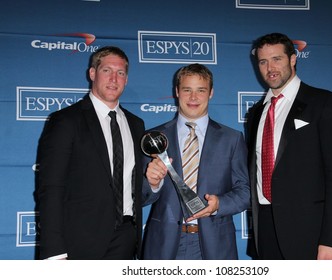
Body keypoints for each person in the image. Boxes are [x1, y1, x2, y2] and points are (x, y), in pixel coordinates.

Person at [245, 33, 332, 260]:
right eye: (263, 62)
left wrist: (331, 240)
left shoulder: (325, 103)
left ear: (293, 59)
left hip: (312, 235)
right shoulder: (256, 113)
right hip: (265, 232)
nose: (270, 68)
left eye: (277, 59)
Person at [36, 46, 146, 260]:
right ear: (92, 73)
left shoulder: (136, 125)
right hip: (79, 240)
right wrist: (54, 251)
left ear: (126, 79)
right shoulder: (66, 121)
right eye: (107, 70)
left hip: (125, 238)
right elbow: (51, 187)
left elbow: (136, 184)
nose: (114, 78)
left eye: (121, 73)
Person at [141, 63, 250, 260]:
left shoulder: (231, 139)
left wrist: (219, 204)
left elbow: (245, 192)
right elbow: (139, 197)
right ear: (176, 92)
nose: (193, 97)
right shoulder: (154, 138)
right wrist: (152, 184)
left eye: (201, 90)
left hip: (215, 245)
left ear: (211, 93)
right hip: (164, 245)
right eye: (187, 90)